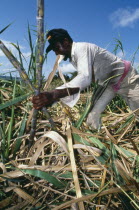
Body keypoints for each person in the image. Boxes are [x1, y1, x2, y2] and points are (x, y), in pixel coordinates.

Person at [32, 28, 139, 129]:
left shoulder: (82, 49)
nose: (56, 53)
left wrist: (53, 94)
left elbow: (84, 78)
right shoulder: (73, 59)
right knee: (92, 117)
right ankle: (99, 144)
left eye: (56, 48)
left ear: (65, 42)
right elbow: (79, 83)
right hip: (108, 86)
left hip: (127, 79)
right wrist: (52, 99)